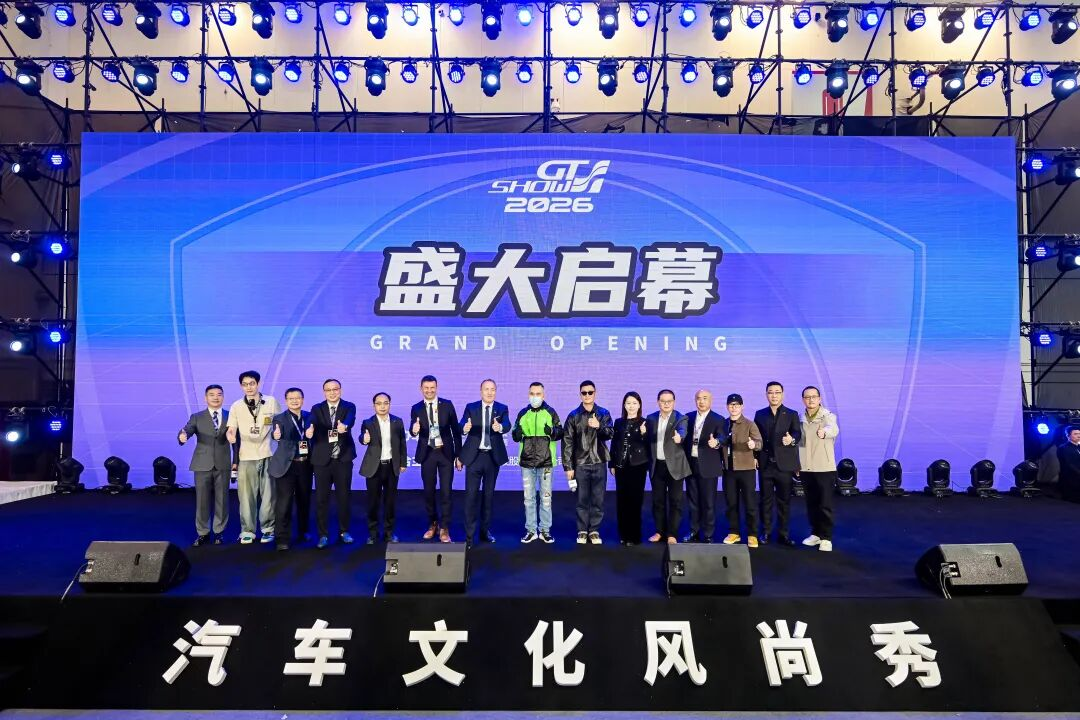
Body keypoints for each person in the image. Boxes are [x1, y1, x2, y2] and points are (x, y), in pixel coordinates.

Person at [225, 371, 280, 545]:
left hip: (268, 454)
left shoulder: (271, 402)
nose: (249, 387)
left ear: (258, 383)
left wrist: (278, 433)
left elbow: (279, 424)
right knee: (246, 497)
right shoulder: (236, 406)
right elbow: (231, 428)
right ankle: (247, 531)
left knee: (269, 496)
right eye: (245, 384)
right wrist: (230, 435)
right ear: (241, 386)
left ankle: (268, 529)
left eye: (252, 383)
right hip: (246, 456)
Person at [178, 384, 236, 546]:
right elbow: (187, 430)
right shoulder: (197, 417)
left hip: (223, 463)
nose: (216, 397)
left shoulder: (231, 416)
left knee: (222, 500)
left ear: (223, 397)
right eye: (212, 394)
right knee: (202, 500)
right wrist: (182, 436)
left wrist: (236, 462)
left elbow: (235, 441)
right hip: (202, 463)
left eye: (219, 394)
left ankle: (219, 532)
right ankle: (202, 533)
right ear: (206, 398)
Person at [409, 375, 462, 543]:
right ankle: (433, 524)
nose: (429, 391)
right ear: (421, 389)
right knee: (428, 492)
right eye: (426, 388)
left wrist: (459, 455)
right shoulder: (416, 408)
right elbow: (413, 429)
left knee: (446, 492)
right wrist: (414, 430)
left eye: (432, 388)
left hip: (445, 454)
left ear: (436, 388)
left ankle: (444, 527)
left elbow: (456, 431)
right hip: (428, 454)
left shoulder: (447, 405)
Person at [458, 379, 510, 547]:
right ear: (481, 391)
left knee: (488, 497)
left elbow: (507, 424)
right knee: (471, 497)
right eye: (486, 389)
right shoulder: (471, 407)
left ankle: (484, 532)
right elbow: (461, 424)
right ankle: (469, 536)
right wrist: (464, 428)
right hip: (474, 457)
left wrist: (500, 427)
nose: (489, 392)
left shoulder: (501, 408)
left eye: (492, 389)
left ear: (496, 391)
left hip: (492, 458)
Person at [562, 380, 614, 545]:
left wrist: (599, 426)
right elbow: (567, 442)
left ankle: (594, 531)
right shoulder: (573, 416)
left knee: (598, 500)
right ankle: (582, 530)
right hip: (580, 464)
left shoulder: (603, 413)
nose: (587, 395)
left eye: (590, 392)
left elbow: (610, 434)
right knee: (582, 500)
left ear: (595, 393)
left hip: (599, 462)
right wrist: (568, 467)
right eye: (584, 393)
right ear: (580, 395)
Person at [511, 382, 563, 544]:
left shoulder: (550, 412)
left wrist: (552, 432)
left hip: (546, 462)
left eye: (538, 394)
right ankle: (531, 530)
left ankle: (545, 530)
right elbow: (514, 435)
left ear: (543, 395)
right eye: (532, 394)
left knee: (546, 498)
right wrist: (517, 433)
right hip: (527, 462)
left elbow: (560, 432)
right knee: (529, 499)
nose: (535, 397)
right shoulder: (523, 413)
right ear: (528, 395)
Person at [308, 378, 357, 548]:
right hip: (322, 460)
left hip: (342, 459)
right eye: (328, 390)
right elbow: (311, 421)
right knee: (321, 499)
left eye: (335, 389)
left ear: (340, 390)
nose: (332, 392)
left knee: (344, 497)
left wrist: (345, 426)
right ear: (324, 392)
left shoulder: (349, 406)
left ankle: (344, 531)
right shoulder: (317, 408)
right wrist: (309, 428)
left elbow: (350, 419)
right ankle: (323, 534)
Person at [754, 382, 802, 546]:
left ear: (783, 394)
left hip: (784, 466)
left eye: (777, 392)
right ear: (766, 395)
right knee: (765, 501)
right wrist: (755, 457)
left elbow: (797, 433)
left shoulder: (791, 414)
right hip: (765, 464)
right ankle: (766, 532)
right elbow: (756, 438)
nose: (774, 395)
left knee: (784, 501)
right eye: (770, 392)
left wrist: (791, 439)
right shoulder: (760, 414)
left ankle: (783, 534)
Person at [268, 388, 313, 552]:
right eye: (291, 398)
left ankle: (303, 531)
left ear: (303, 400)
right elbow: (276, 434)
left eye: (298, 398)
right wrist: (276, 436)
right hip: (286, 466)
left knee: (304, 500)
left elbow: (315, 437)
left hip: (305, 464)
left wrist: (311, 435)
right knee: (284, 503)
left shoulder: (310, 416)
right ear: (286, 401)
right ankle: (282, 538)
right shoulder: (279, 418)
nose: (295, 401)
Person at [359, 392, 408, 543]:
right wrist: (364, 439)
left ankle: (389, 533)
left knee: (390, 502)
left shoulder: (397, 422)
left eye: (385, 403)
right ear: (374, 405)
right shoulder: (368, 422)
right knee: (373, 502)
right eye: (379, 403)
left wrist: (403, 463)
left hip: (392, 466)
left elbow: (402, 443)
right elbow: (362, 437)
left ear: (389, 404)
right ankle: (373, 534)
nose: (382, 406)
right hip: (374, 467)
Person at [682, 389, 727, 543]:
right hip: (691, 464)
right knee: (693, 501)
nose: (701, 401)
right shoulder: (688, 417)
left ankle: (708, 534)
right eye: (698, 398)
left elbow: (723, 437)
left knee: (708, 503)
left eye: (705, 398)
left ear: (711, 400)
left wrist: (717, 442)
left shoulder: (718, 419)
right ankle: (693, 532)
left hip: (708, 465)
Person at [646, 389, 690, 544]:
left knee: (675, 501)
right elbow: (648, 440)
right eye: (663, 401)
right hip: (657, 465)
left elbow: (682, 432)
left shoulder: (681, 418)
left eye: (669, 401)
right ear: (658, 402)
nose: (666, 404)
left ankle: (672, 534)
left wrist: (680, 437)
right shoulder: (651, 418)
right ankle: (660, 531)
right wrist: (644, 433)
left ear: (674, 402)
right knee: (658, 501)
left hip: (675, 466)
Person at [799, 385, 839, 552]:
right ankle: (816, 534)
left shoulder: (828, 416)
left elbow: (833, 429)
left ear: (819, 398)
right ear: (803, 400)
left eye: (814, 396)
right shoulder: (800, 419)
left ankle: (826, 537)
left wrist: (825, 432)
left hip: (824, 468)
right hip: (806, 468)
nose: (811, 400)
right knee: (811, 503)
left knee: (825, 504)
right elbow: (799, 443)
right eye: (807, 397)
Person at [721, 393, 763, 548]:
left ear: (742, 406)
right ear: (727, 407)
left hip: (746, 469)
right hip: (728, 470)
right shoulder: (723, 424)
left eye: (737, 405)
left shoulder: (750, 424)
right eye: (731, 405)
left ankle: (752, 534)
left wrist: (754, 445)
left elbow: (759, 443)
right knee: (731, 503)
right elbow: (719, 441)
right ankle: (734, 533)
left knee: (750, 503)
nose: (734, 407)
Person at [609, 391, 649, 546]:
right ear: (624, 405)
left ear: (639, 405)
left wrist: (644, 434)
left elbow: (649, 445)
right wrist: (612, 464)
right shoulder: (619, 422)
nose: (631, 406)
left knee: (635, 501)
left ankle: (634, 536)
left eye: (634, 403)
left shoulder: (645, 422)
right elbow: (614, 444)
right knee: (622, 501)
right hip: (621, 466)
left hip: (638, 466)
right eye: (628, 403)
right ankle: (623, 535)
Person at [1056, 427, 1080, 502]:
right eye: (1075, 434)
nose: (1078, 436)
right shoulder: (1063, 448)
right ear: (1068, 436)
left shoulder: (1078, 447)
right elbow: (1069, 463)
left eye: (1079, 434)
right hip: (1070, 478)